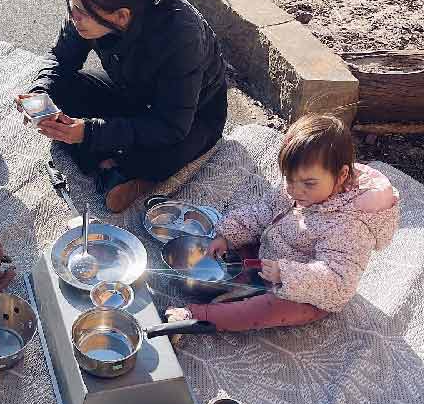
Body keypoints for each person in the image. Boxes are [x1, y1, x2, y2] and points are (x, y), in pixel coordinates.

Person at [17, 0, 227, 213]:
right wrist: (39, 94)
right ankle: (111, 166)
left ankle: (119, 168)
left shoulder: (181, 35)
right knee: (64, 91)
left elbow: (171, 126)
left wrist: (90, 131)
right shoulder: (90, 5)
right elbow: (60, 60)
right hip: (130, 93)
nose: (73, 17)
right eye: (71, 7)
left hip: (191, 115)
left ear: (121, 16)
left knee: (163, 152)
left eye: (80, 13)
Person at [165, 114, 400, 332]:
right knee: (232, 247)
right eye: (289, 179)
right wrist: (227, 235)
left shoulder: (350, 225)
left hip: (307, 291)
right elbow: (264, 212)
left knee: (263, 311)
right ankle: (240, 281)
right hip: (272, 255)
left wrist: (286, 274)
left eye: (308, 184)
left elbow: (338, 281)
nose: (295, 190)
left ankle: (198, 316)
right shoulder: (296, 189)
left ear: (340, 176)